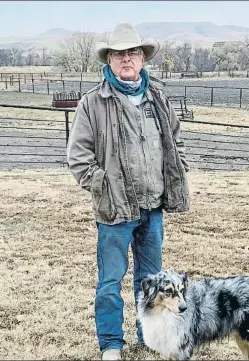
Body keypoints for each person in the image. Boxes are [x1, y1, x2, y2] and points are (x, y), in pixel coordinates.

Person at [66, 23, 190, 360]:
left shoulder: (158, 99)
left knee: (149, 281)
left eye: (132, 52)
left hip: (153, 207)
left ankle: (146, 338)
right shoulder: (93, 103)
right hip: (115, 211)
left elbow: (175, 142)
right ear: (109, 59)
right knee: (110, 282)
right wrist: (103, 187)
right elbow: (78, 157)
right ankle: (110, 345)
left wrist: (177, 171)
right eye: (119, 53)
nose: (126, 59)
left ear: (142, 59)